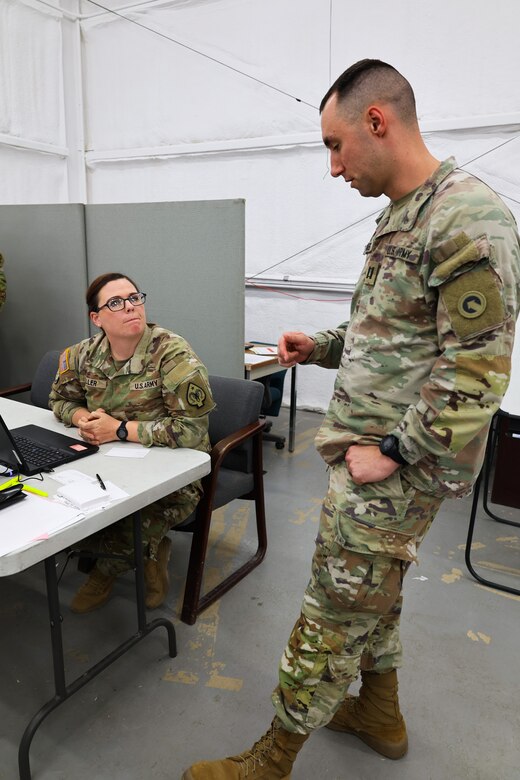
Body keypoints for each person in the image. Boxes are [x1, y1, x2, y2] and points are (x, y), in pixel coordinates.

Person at [181, 59, 520, 779]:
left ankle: (272, 759)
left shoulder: (467, 217)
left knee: (332, 608)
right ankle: (378, 710)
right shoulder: (403, 215)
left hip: (393, 467)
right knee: (375, 591)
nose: (333, 167)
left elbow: (477, 373)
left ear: (377, 122)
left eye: (335, 145)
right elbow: (392, 330)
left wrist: (394, 451)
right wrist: (324, 345)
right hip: (369, 453)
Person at [49, 272, 214, 614]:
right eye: (115, 302)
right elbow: (60, 400)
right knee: (64, 506)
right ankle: (151, 550)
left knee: (128, 523)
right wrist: (83, 419)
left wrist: (119, 430)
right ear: (96, 318)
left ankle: (106, 571)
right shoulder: (81, 355)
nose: (130, 307)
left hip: (174, 475)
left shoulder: (171, 353)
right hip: (105, 464)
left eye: (135, 298)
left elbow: (192, 431)